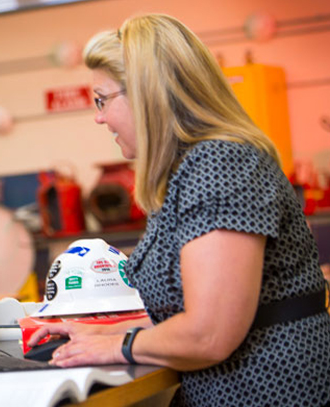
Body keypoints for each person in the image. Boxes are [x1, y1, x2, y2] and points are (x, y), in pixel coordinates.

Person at [28, 13, 330, 406]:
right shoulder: (184, 172)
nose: (99, 117)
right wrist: (99, 334)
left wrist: (120, 345)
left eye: (102, 100)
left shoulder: (221, 165)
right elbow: (184, 312)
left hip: (268, 391)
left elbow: (209, 333)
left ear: (146, 93)